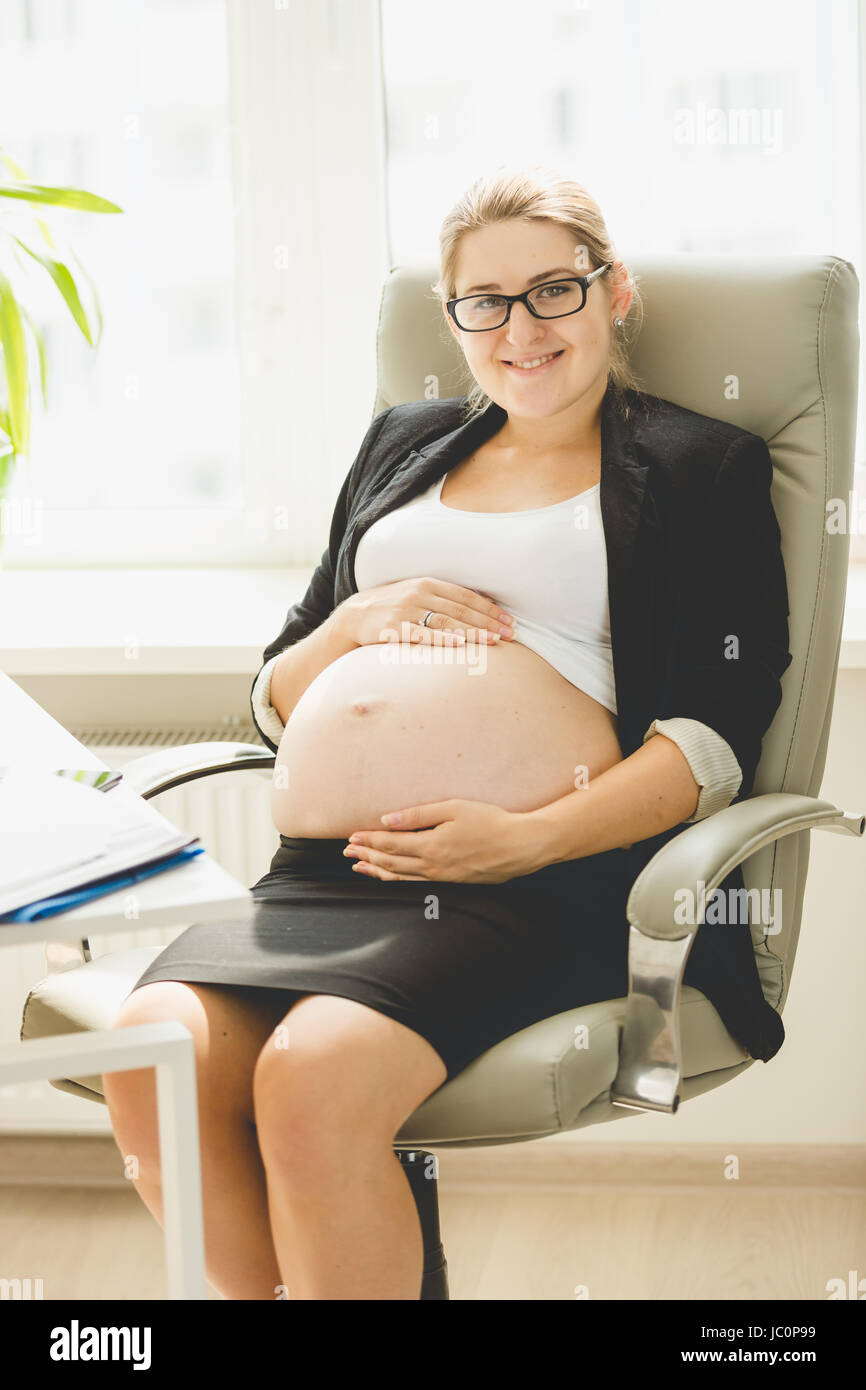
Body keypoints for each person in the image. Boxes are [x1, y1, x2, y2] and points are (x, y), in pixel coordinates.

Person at [103, 164, 792, 1301]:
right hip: (319, 878)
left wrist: (525, 840)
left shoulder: (693, 468)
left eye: (550, 292)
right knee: (155, 1056)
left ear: (611, 293)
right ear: (453, 318)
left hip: (540, 877)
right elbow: (274, 695)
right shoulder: (401, 443)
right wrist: (351, 627)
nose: (518, 329)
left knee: (312, 1076)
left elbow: (711, 740)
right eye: (484, 301)